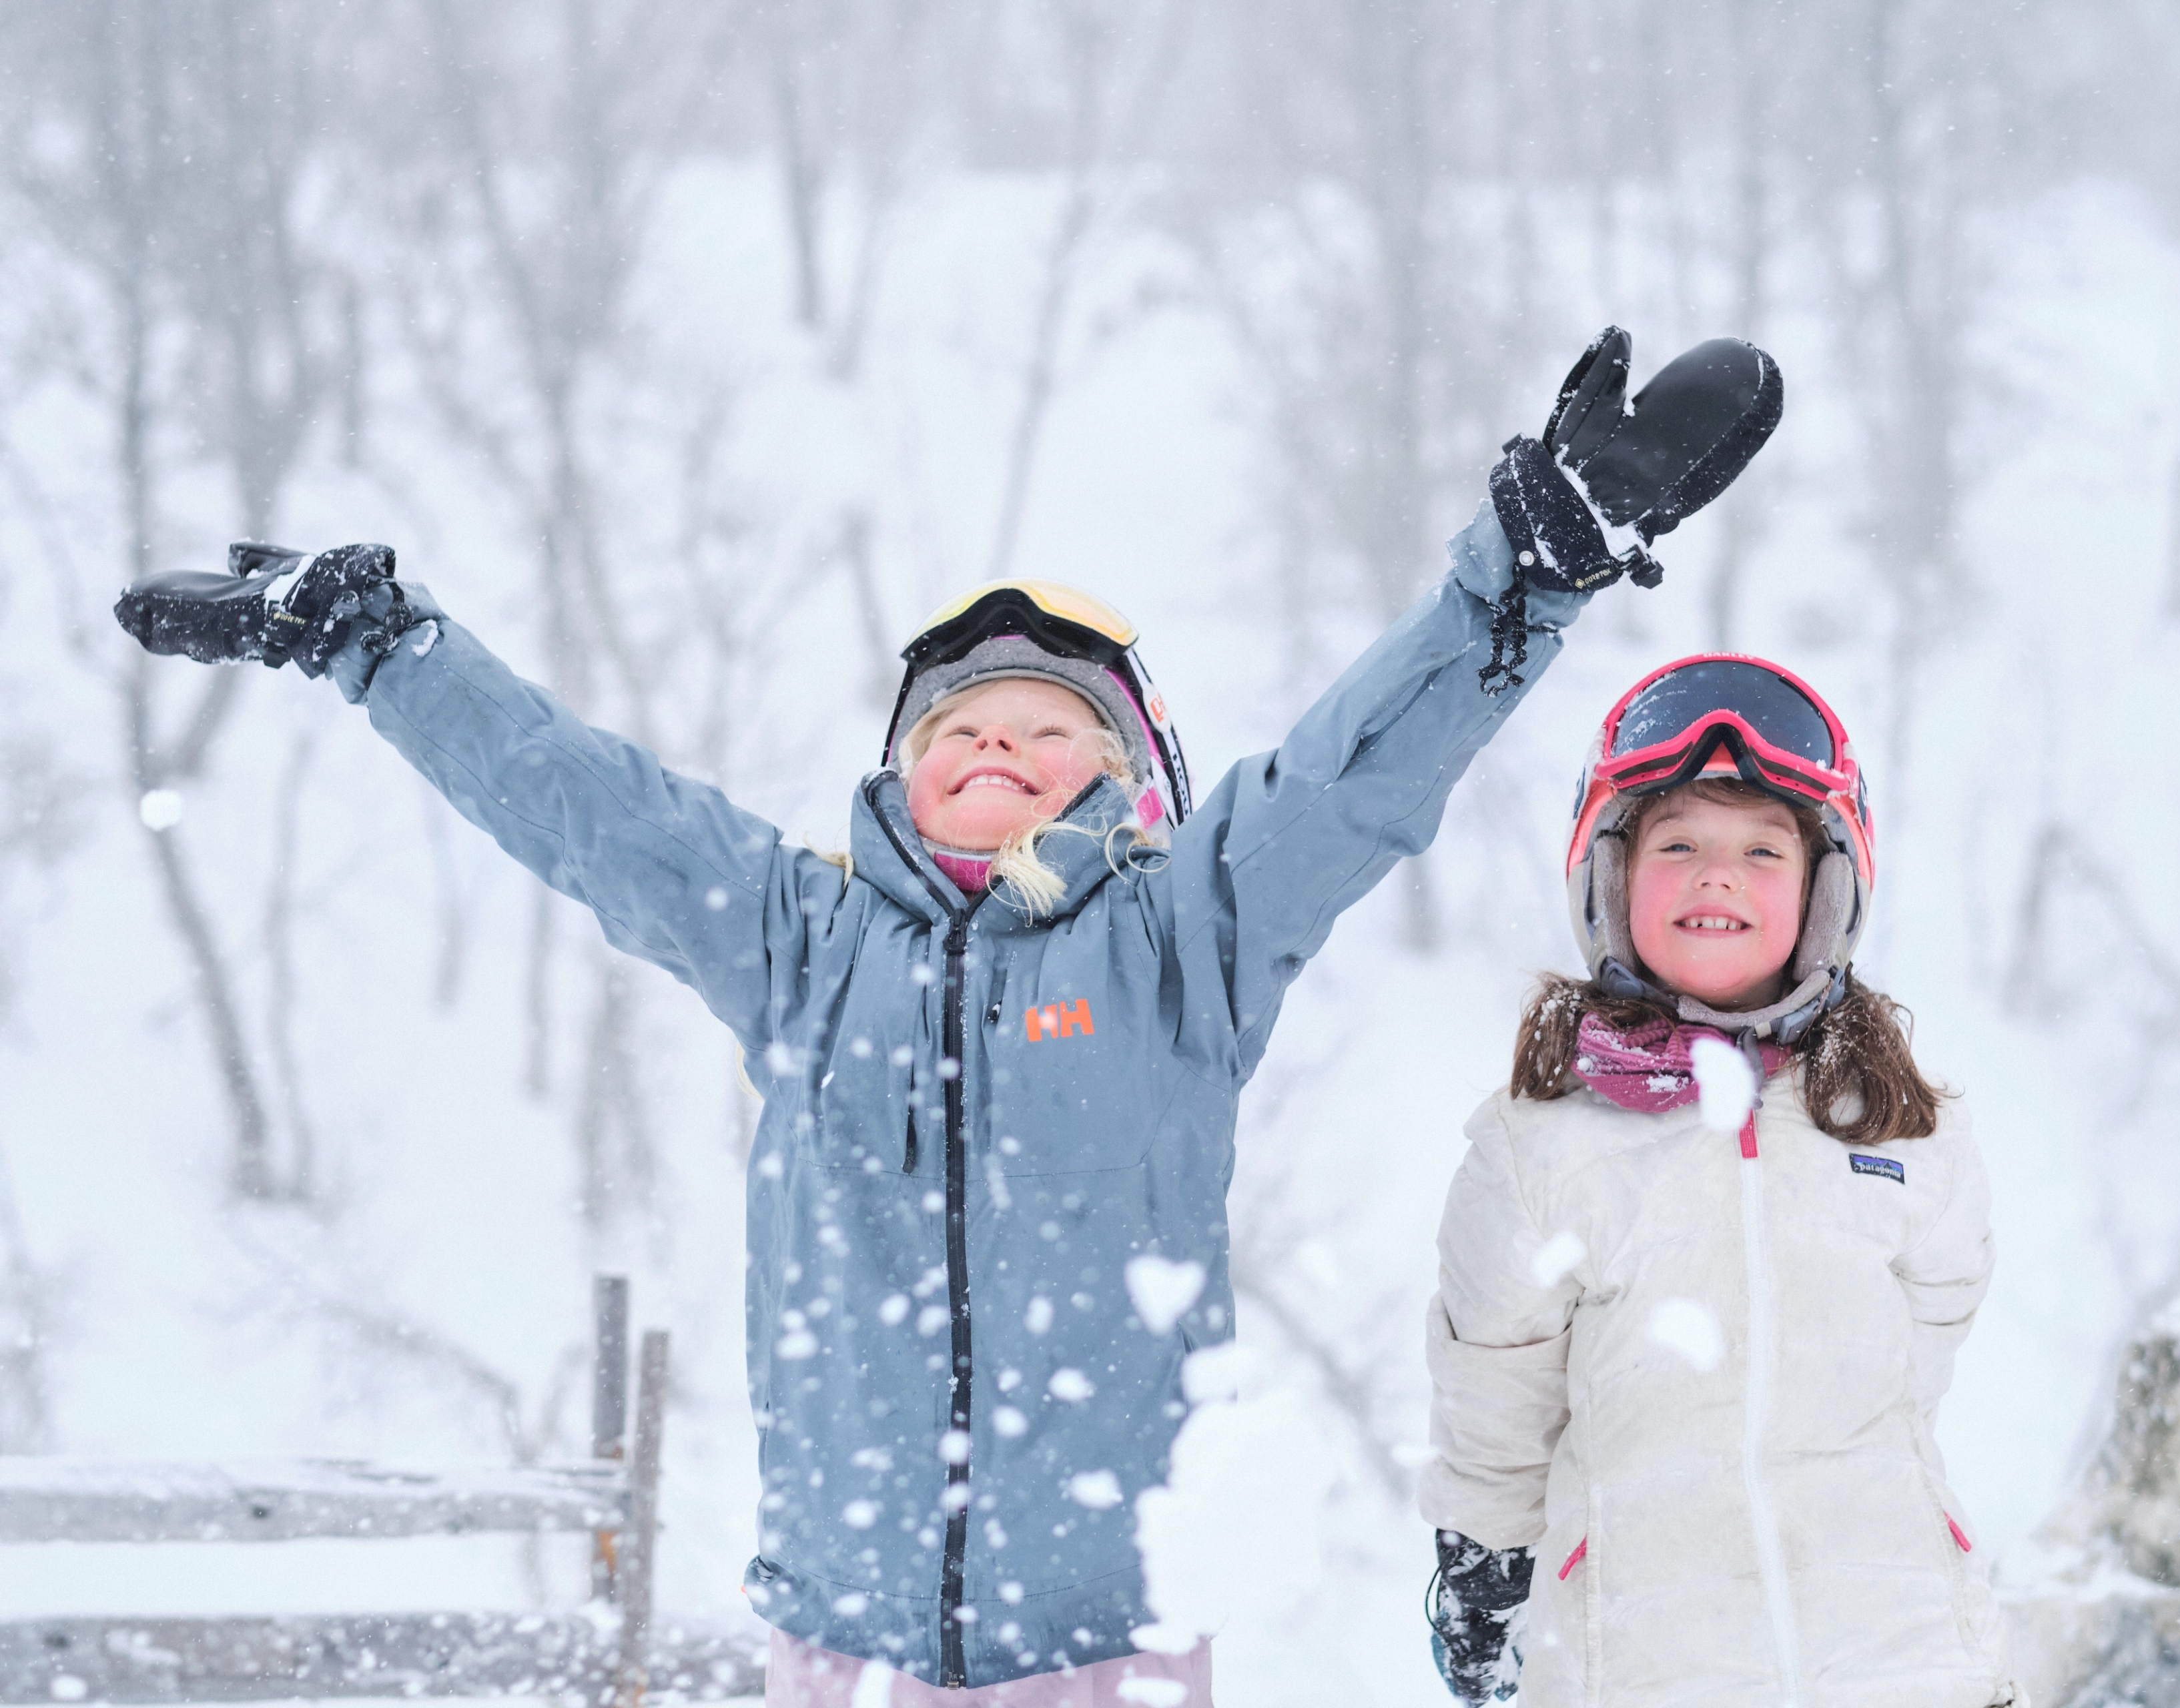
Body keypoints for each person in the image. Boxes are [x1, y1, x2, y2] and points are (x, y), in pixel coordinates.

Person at [113, 330, 1782, 1702]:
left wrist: (1516, 587)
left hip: (1107, 1642)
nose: (992, 744)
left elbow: (1350, 776)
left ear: (1128, 782)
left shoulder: (1183, 930)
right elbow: (588, 808)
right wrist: (382, 645)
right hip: (843, 1640)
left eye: (1045, 729)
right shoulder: (800, 940)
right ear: (900, 770)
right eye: (955, 727)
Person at [1417, 656, 2017, 1707]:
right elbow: (1494, 1394)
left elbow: (1936, 1316)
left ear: (1826, 891)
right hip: (1639, 1660)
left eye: (1761, 850)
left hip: (1904, 1652)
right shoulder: (1541, 1147)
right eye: (1678, 844)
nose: (1717, 875)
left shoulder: (1900, 1128)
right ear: (1611, 879)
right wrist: (1486, 1561)